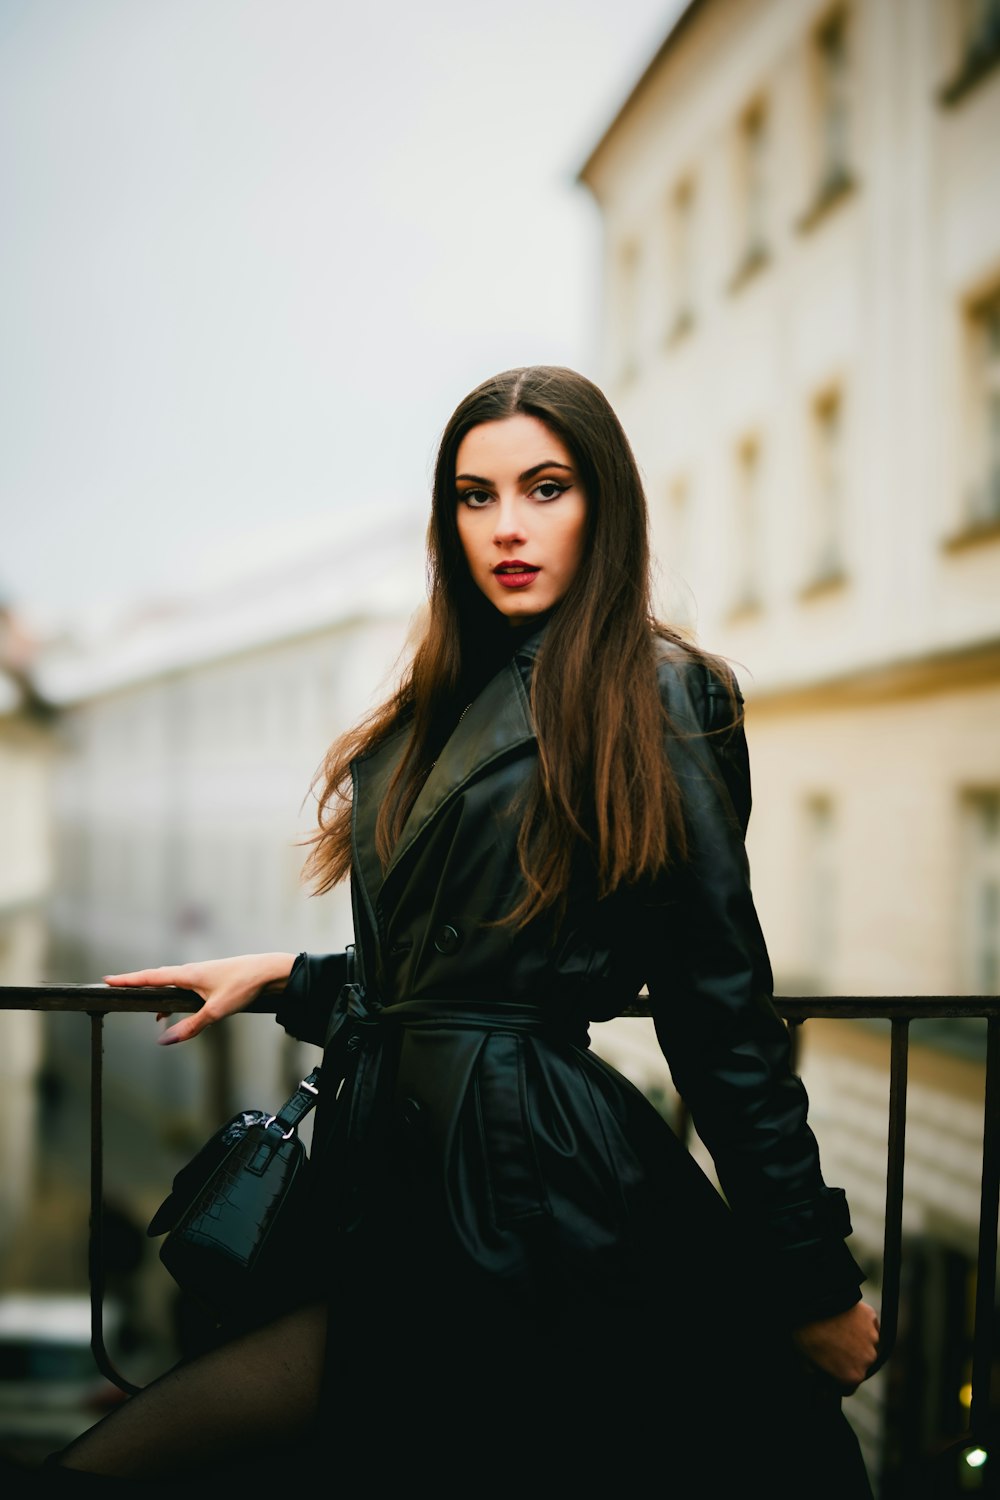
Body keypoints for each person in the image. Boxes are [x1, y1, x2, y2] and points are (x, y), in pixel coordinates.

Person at [32, 366, 879, 1494]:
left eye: (544, 488)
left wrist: (807, 1278)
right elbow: (447, 969)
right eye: (475, 498)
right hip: (397, 1181)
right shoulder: (437, 695)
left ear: (603, 506)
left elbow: (717, 1010)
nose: (507, 527)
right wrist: (290, 977)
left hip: (530, 1191)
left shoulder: (663, 694)